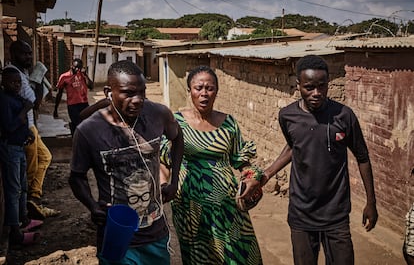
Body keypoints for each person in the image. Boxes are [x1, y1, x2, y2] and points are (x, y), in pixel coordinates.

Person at [261, 55, 378, 265]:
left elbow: (363, 158)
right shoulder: (287, 116)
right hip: (301, 212)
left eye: (321, 87)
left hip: (336, 213)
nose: (316, 93)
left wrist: (371, 202)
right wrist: (268, 173)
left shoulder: (344, 116)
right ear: (298, 86)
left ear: (328, 84)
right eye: (309, 87)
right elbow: (294, 147)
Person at [69, 60, 183, 264]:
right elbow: (76, 177)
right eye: (128, 93)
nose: (138, 99)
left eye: (142, 92)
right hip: (117, 236)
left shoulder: (158, 114)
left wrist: (174, 181)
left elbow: (177, 137)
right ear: (108, 91)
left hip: (155, 233)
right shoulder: (89, 131)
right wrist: (92, 206)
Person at [160, 65, 264, 264]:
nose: (204, 93)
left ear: (217, 91)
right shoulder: (176, 123)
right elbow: (164, 162)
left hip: (226, 206)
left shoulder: (228, 123)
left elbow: (242, 162)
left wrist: (252, 178)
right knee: (199, 256)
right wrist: (164, 184)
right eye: (198, 88)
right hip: (189, 206)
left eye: (210, 88)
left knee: (238, 254)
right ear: (189, 91)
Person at [6, 40, 56, 220]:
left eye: (29, 54)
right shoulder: (13, 75)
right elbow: (34, 103)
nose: (28, 57)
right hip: (24, 129)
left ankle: (34, 198)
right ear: (13, 55)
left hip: (30, 126)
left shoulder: (22, 74)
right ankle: (28, 206)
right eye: (24, 54)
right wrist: (40, 79)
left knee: (45, 157)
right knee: (31, 167)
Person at [0, 67, 43, 246]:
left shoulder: (15, 97)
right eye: (13, 82)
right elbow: (9, 126)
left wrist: (27, 134)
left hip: (20, 147)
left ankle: (24, 219)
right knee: (13, 190)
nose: (17, 85)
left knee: (23, 186)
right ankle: (15, 233)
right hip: (10, 150)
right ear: (4, 82)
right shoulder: (4, 100)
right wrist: (25, 110)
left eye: (19, 82)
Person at [54, 58, 93, 135]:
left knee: (86, 124)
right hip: (72, 105)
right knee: (77, 124)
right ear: (71, 66)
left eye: (79, 67)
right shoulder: (64, 77)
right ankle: (75, 140)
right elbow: (59, 93)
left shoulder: (82, 75)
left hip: (84, 103)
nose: (77, 69)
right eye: (75, 67)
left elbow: (91, 86)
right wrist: (56, 109)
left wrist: (86, 75)